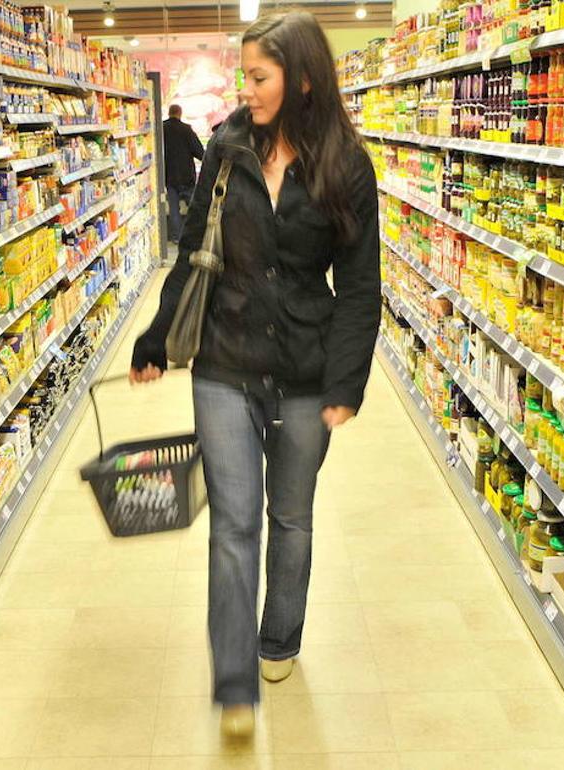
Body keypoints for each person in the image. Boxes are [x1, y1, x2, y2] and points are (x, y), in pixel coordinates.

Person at [129, 12, 380, 739]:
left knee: (290, 518)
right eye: (245, 75)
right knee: (233, 525)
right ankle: (236, 679)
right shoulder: (227, 147)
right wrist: (155, 337)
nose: (249, 89)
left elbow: (361, 286)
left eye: (260, 76)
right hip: (226, 359)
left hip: (306, 368)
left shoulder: (346, 165)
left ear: (302, 79)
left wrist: (345, 384)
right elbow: (193, 250)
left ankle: (279, 640)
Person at [162, 104, 205, 243]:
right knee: (194, 207)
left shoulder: (162, 129)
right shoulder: (186, 129)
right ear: (179, 114)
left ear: (169, 113)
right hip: (186, 176)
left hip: (169, 176)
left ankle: (176, 237)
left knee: (174, 208)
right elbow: (199, 151)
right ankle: (198, 235)